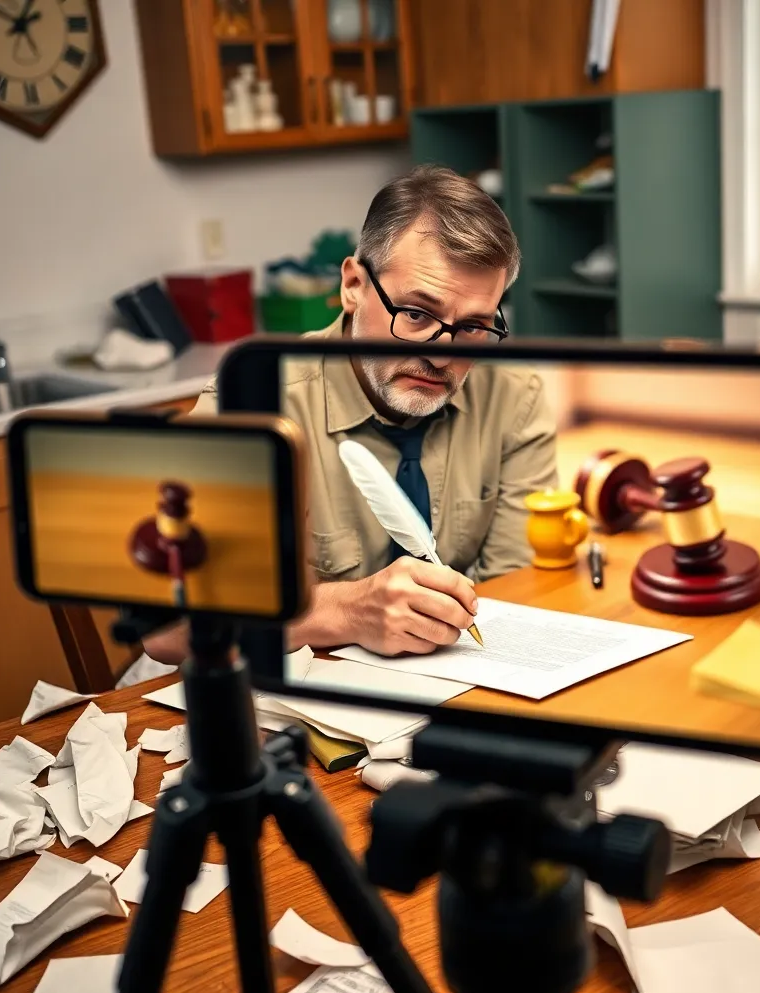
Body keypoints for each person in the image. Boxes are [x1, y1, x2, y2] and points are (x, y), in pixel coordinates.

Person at [142, 164, 557, 666]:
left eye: (473, 326)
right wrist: (343, 610)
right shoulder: (251, 402)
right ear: (354, 285)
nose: (443, 356)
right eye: (417, 314)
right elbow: (164, 628)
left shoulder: (514, 395)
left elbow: (517, 592)